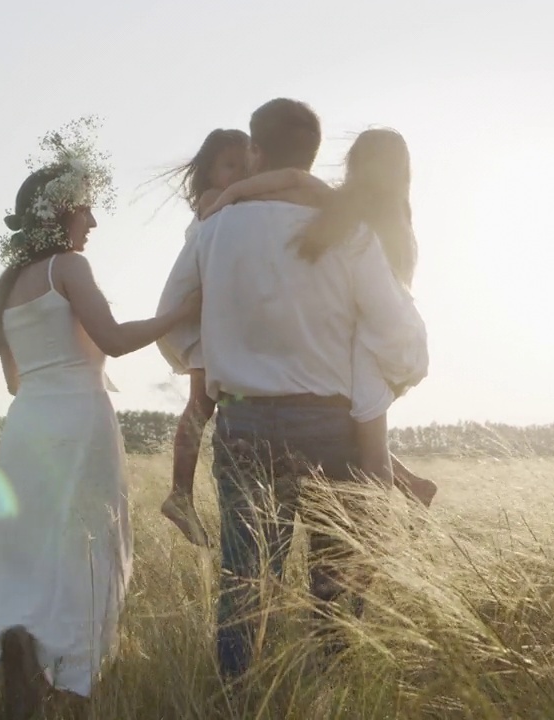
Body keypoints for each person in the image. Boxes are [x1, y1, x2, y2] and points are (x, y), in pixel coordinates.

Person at [156, 98, 429, 679]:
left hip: (242, 424)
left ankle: (236, 704)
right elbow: (399, 336)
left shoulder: (215, 226)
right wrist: (383, 386)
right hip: (330, 431)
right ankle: (323, 696)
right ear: (313, 154)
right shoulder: (345, 230)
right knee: (335, 592)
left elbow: (173, 319)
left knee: (245, 588)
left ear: (256, 150)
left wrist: (217, 360)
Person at [0, 122, 200, 720]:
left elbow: (13, 381)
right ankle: (75, 684)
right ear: (61, 212)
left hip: (27, 425)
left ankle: (21, 652)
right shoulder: (68, 267)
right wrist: (178, 314)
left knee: (25, 554)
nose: (93, 222)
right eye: (86, 208)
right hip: (79, 420)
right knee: (84, 547)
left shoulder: (7, 287)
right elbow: (111, 336)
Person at [199, 128, 438, 508]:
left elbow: (293, 178)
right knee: (368, 434)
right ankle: (395, 510)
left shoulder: (343, 206)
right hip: (393, 335)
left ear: (353, 163)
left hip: (369, 338)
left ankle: (383, 520)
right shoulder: (398, 218)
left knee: (370, 441)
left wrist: (231, 194)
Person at [155, 128, 250, 547]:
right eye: (231, 165)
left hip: (209, 307)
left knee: (207, 402)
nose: (241, 174)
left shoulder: (233, 200)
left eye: (247, 166)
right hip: (197, 310)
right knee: (201, 404)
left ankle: (182, 494)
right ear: (210, 172)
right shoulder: (213, 199)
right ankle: (179, 494)